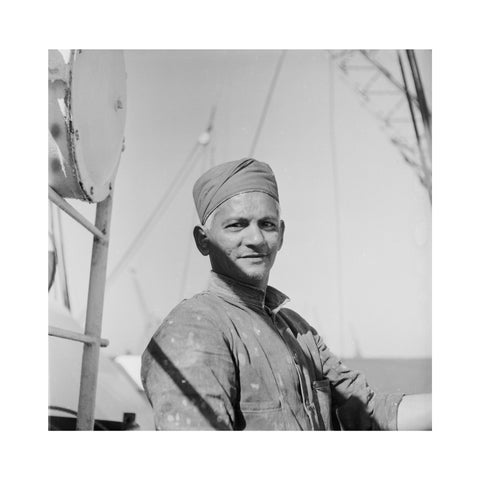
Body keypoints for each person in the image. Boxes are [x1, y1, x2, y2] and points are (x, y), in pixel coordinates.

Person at [141, 158, 431, 430]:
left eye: (266, 225)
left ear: (280, 234)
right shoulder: (196, 327)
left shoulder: (297, 331)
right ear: (203, 241)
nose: (255, 239)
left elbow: (367, 411)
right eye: (236, 225)